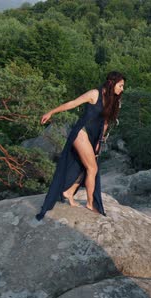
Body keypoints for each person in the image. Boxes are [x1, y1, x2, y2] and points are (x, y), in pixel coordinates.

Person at [36, 71, 125, 220]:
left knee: (85, 167)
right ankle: (90, 204)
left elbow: (104, 123)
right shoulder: (94, 94)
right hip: (81, 132)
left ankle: (69, 192)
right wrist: (51, 112)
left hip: (93, 136)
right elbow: (72, 103)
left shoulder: (111, 99)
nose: (122, 89)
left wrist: (99, 141)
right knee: (92, 168)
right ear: (111, 83)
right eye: (120, 85)